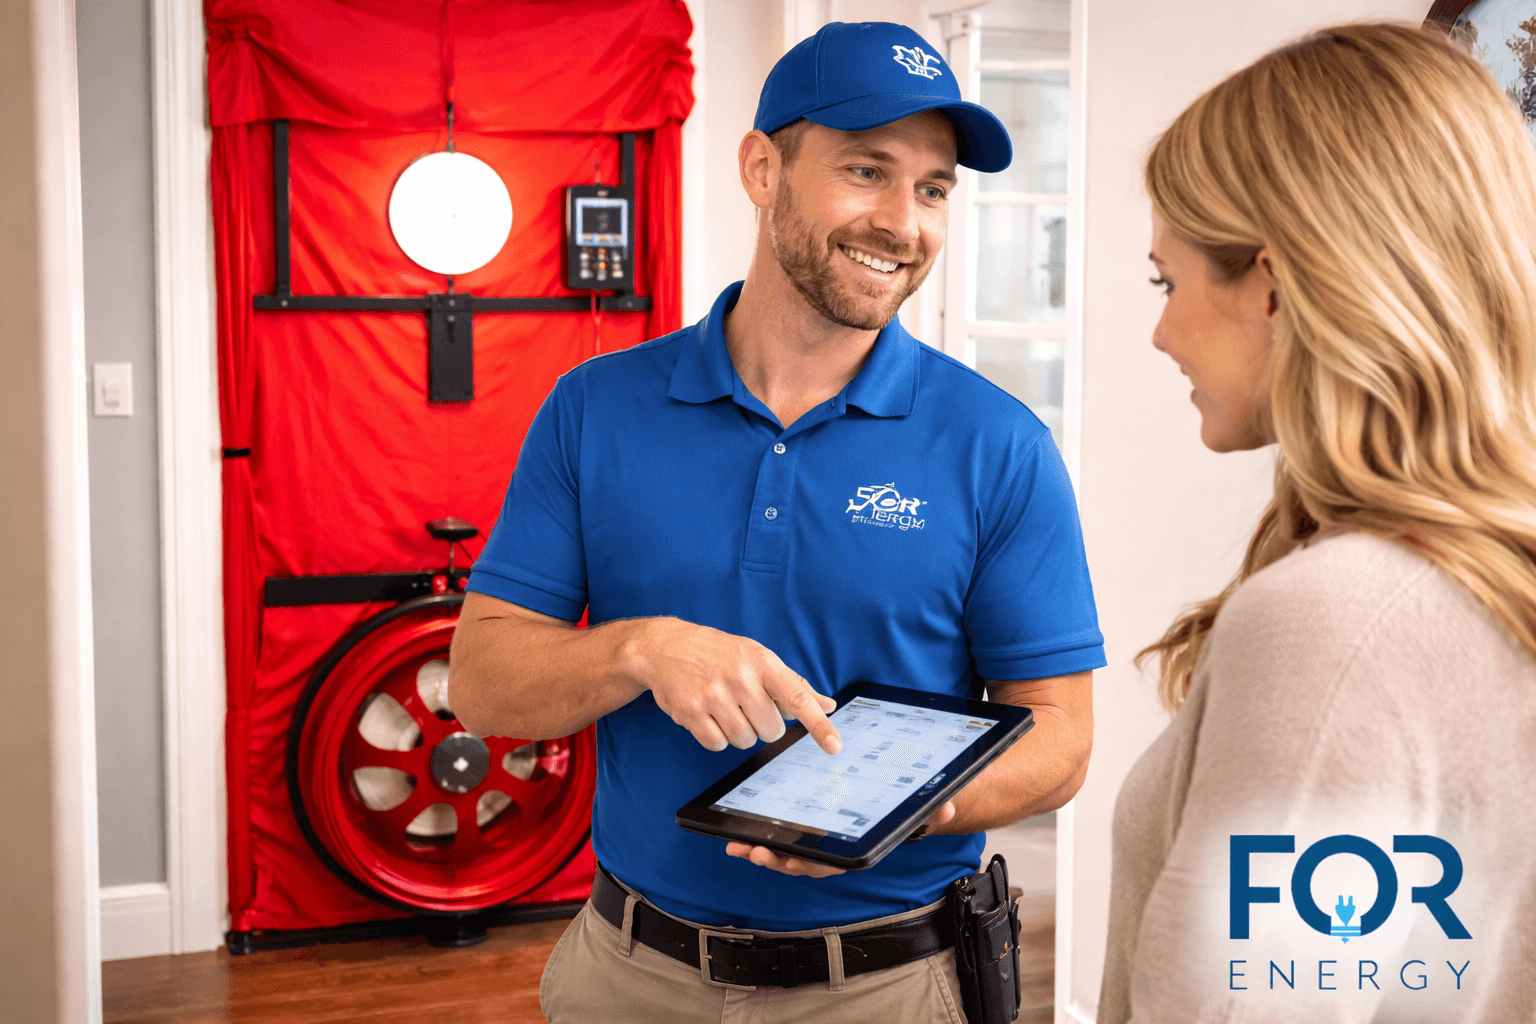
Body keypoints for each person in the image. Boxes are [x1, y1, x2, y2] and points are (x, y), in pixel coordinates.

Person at [448, 20, 1104, 1024]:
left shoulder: (1000, 447)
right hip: (627, 975)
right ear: (762, 168)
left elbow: (1059, 737)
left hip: (889, 988)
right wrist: (642, 649)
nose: (904, 222)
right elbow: (482, 682)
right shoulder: (595, 409)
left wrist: (903, 810)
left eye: (932, 189)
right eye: (866, 171)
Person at [1101, 22, 1536, 1024]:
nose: (1160, 331)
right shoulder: (1483, 569)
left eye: (1170, 283)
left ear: (1275, 280)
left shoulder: (1340, 618)